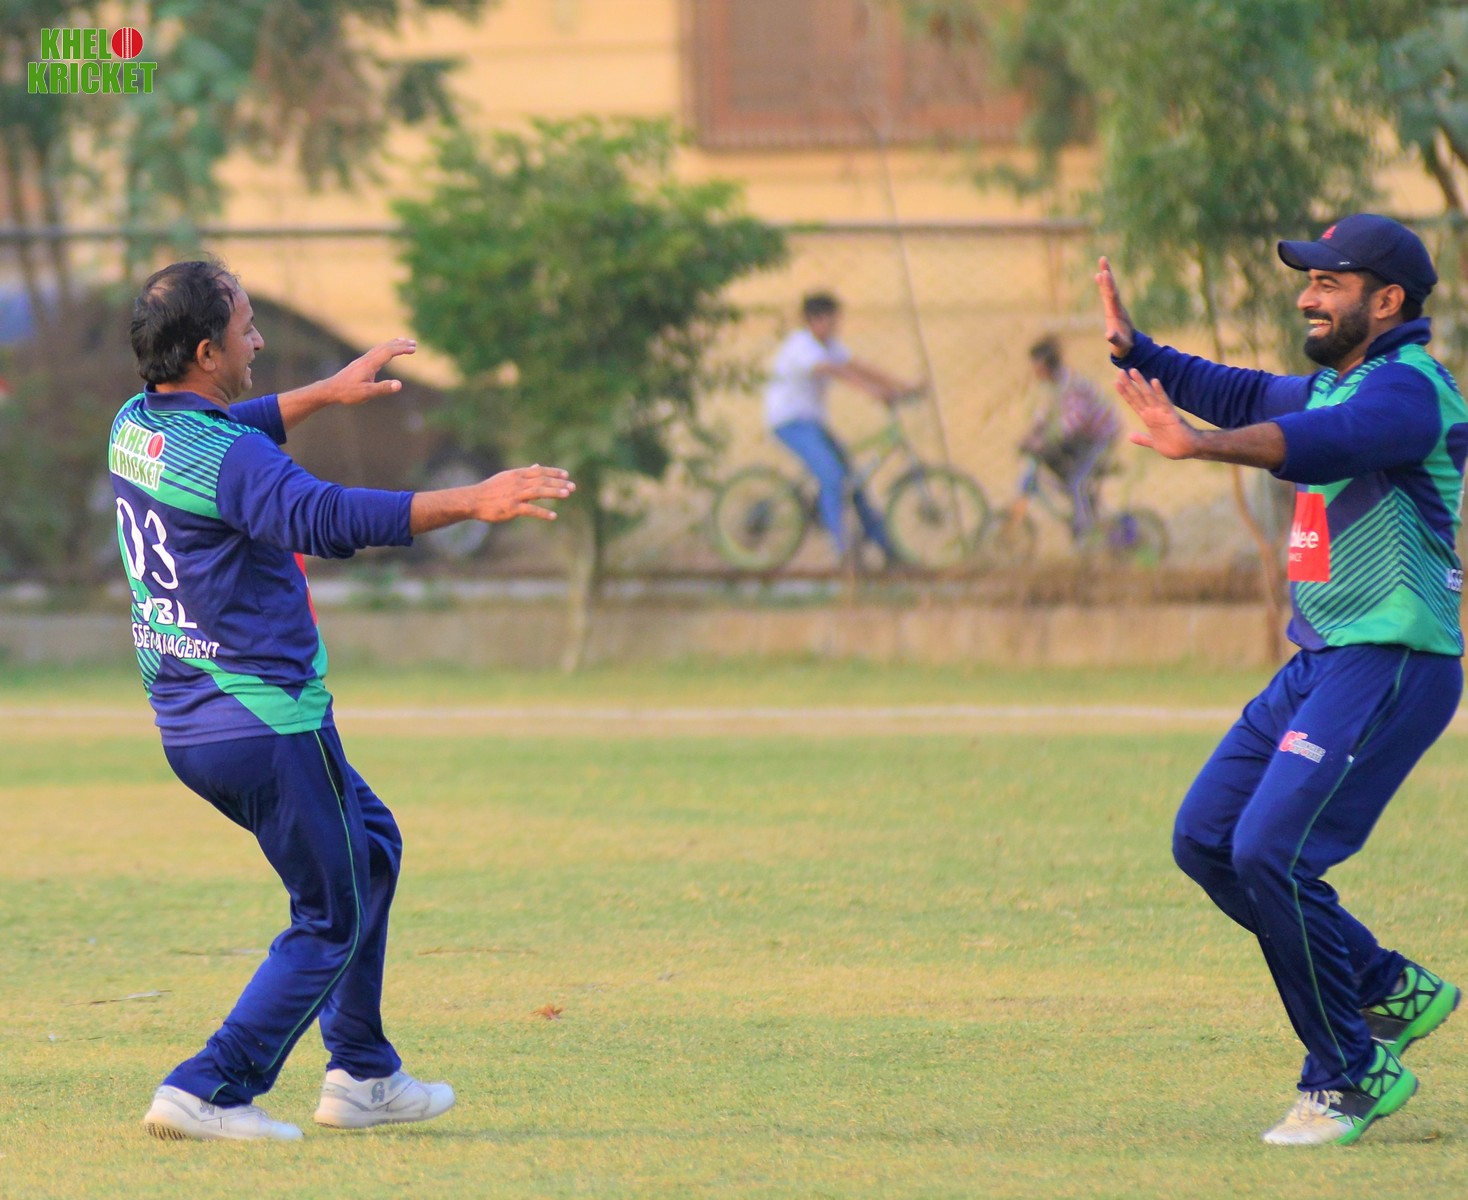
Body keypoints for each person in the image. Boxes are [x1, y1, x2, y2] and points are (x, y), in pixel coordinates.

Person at [112, 259, 575, 1142]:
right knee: (332, 915)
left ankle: (362, 1073)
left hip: (193, 717)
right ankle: (208, 1087)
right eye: (246, 328)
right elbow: (325, 517)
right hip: (263, 719)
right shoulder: (232, 461)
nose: (258, 342)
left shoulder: (136, 426)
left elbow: (234, 429)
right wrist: (471, 501)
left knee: (372, 849)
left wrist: (324, 393)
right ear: (206, 352)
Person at [1099, 214, 1465, 1146]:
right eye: (1309, 280)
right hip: (1320, 661)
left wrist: (1199, 445)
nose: (1308, 296)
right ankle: (1386, 986)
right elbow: (1244, 390)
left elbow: (1318, 444)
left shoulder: (1409, 391)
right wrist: (1140, 351)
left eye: (1329, 282)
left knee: (1272, 851)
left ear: (1388, 300)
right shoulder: (1340, 381)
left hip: (1391, 661)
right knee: (1208, 840)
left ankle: (1349, 1073)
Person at [763, 292, 919, 565]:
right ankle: (842, 550)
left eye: (836, 320)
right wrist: (873, 392)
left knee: (853, 481)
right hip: (790, 422)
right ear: (813, 320)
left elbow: (858, 366)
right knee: (833, 477)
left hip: (812, 422)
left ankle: (887, 548)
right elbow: (835, 371)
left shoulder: (829, 345)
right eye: (830, 320)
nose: (835, 326)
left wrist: (902, 386)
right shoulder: (801, 345)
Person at [1019, 336, 1121, 535]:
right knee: (1060, 472)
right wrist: (1031, 434)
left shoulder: (1071, 385)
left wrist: (1045, 439)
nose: (1034, 371)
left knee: (1077, 481)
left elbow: (1075, 420)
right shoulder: (1054, 384)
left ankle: (1086, 531)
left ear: (1046, 366)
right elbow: (1045, 413)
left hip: (1100, 438)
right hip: (1085, 438)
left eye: (1036, 366)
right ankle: (1085, 511)